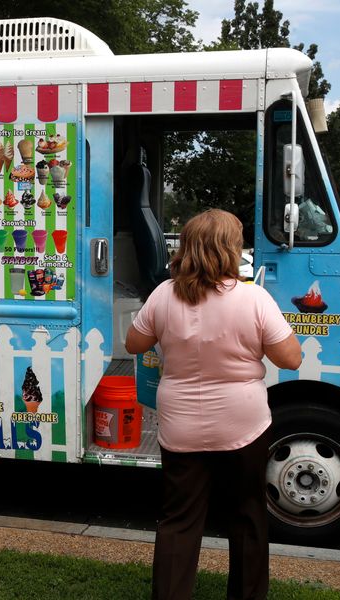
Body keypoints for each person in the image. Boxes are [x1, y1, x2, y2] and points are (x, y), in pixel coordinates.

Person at [125, 209, 302, 600]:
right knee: (247, 516)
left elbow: (133, 344)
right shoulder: (254, 298)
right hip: (244, 424)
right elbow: (290, 358)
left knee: (179, 519)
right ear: (230, 250)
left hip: (181, 425)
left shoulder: (163, 295)